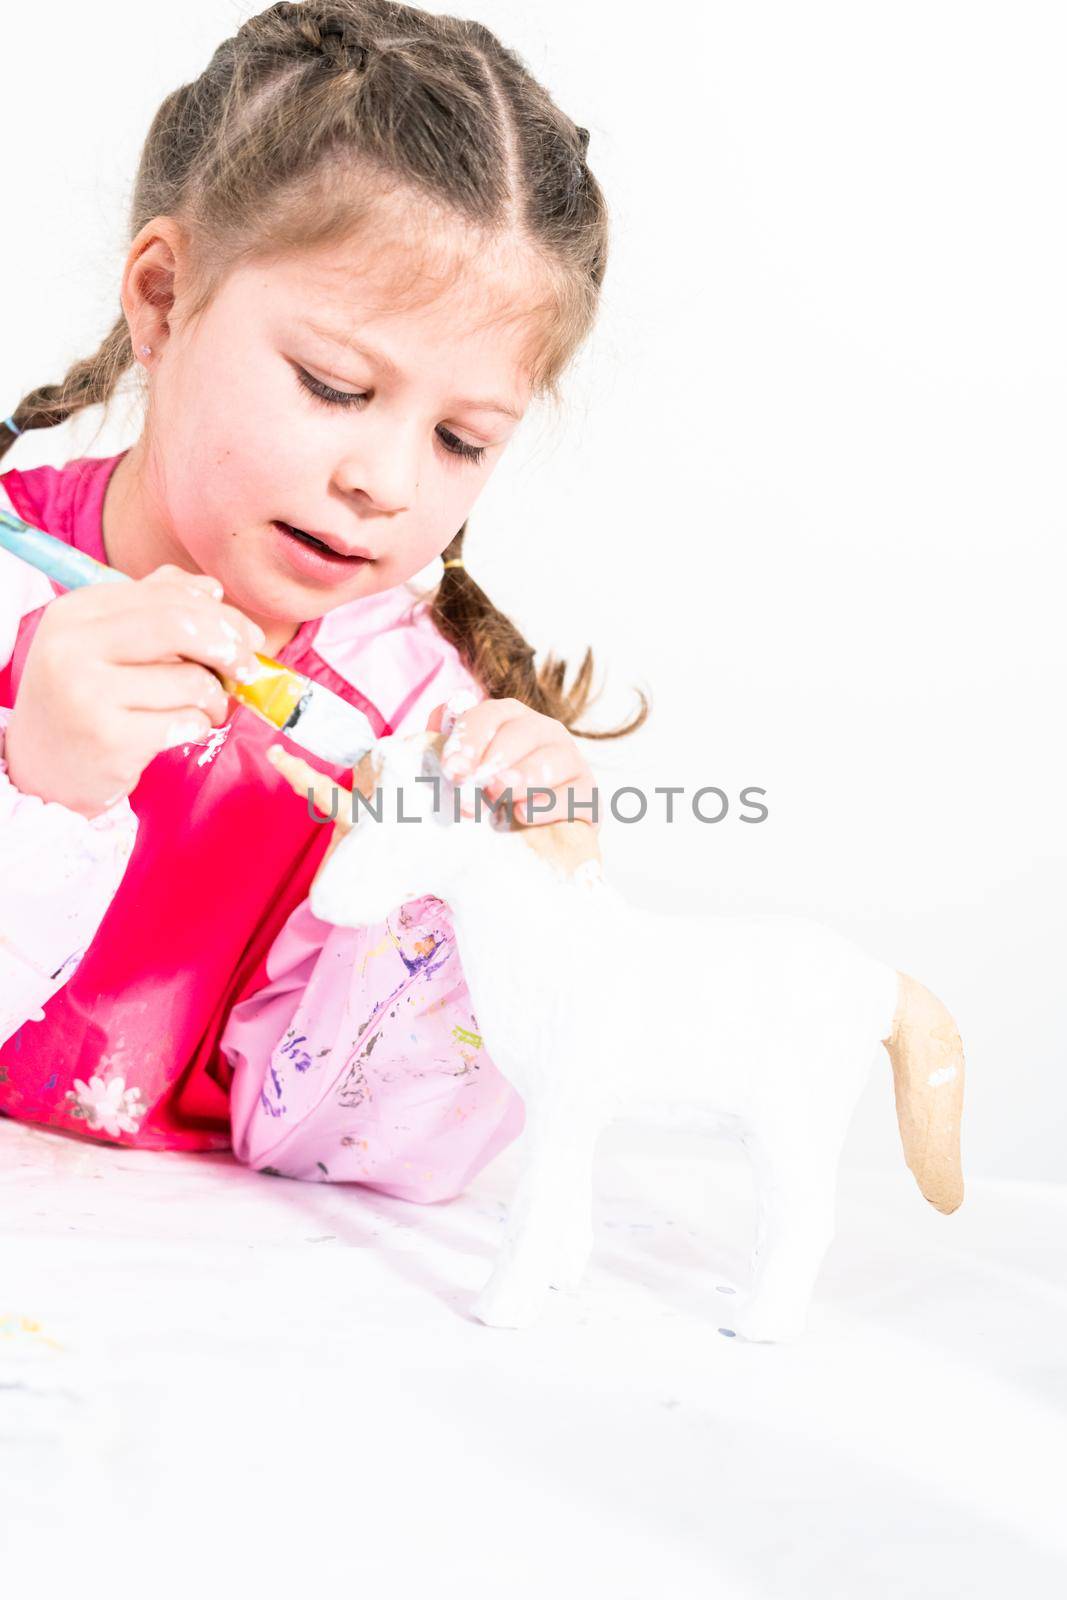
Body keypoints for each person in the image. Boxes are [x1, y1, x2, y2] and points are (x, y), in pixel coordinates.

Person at [0, 0, 646, 1202]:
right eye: (334, 385)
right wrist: (36, 786)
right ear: (160, 296)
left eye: (461, 438)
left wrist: (493, 908)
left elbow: (349, 1153)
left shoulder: (411, 732)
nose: (386, 483)